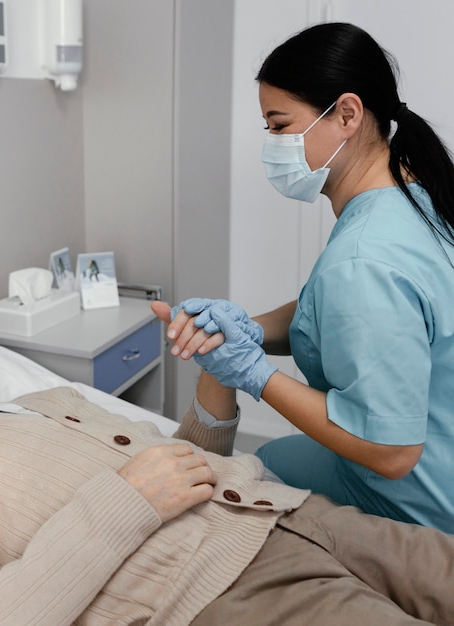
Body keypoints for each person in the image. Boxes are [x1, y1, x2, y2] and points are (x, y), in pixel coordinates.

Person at [0, 309, 454, 625]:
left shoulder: (42, 405)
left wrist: (217, 380)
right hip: (223, 593)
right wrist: (125, 502)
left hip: (298, 518)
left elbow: (186, 471)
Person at [155, 22, 454, 533]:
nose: (271, 143)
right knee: (270, 455)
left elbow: (392, 452)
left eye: (278, 124)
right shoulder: (414, 199)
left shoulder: (365, 258)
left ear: (346, 115)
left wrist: (252, 372)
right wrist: (247, 326)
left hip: (416, 502)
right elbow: (335, 310)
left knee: (252, 475)